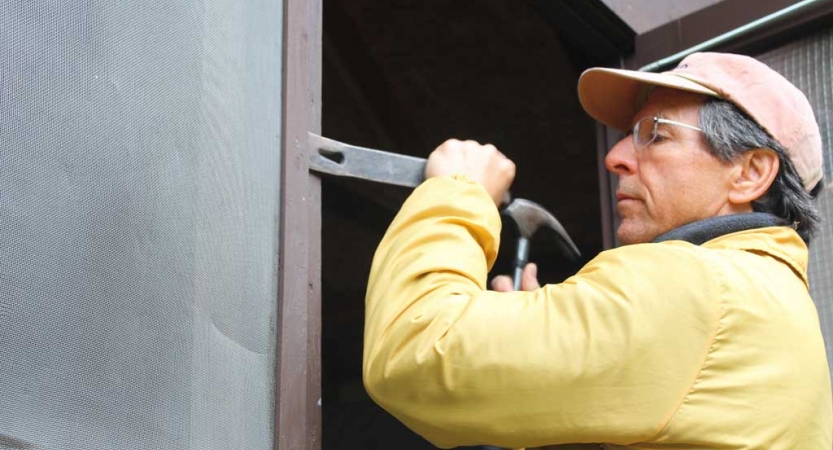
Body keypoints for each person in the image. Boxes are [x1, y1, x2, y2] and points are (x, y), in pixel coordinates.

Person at [362, 52, 832, 449]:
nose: (616, 156)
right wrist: (526, 353)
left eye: (655, 133)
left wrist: (458, 191)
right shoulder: (769, 302)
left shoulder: (696, 285)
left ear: (750, 173)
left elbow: (413, 351)